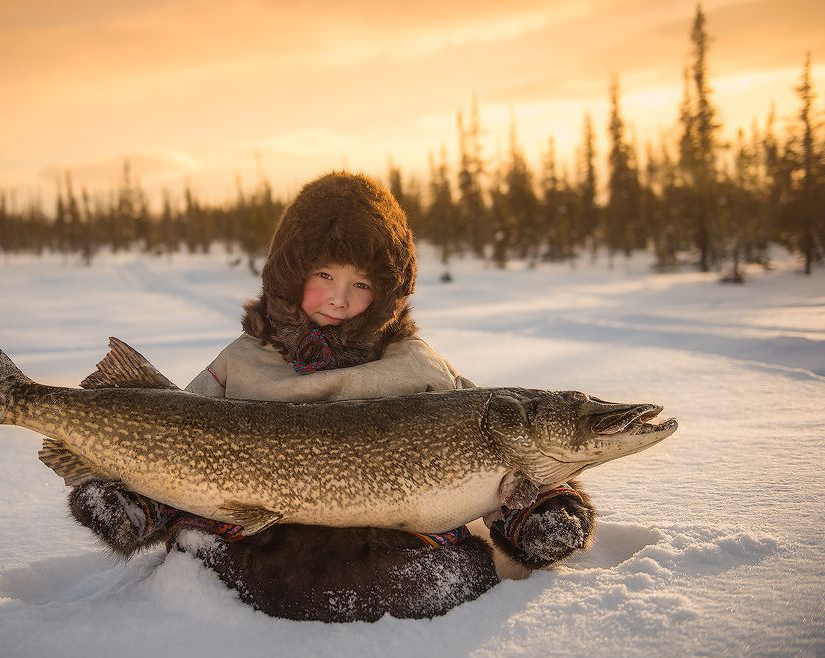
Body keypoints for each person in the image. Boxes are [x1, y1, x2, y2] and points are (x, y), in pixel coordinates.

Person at [68, 172, 596, 621]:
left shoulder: (417, 365)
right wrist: (133, 501)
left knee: (431, 571)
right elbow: (174, 437)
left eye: (362, 284)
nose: (341, 299)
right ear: (291, 276)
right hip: (258, 546)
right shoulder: (243, 362)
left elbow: (503, 443)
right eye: (324, 275)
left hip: (399, 551)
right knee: (217, 554)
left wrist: (541, 509)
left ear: (387, 293)